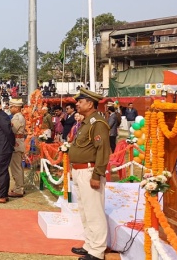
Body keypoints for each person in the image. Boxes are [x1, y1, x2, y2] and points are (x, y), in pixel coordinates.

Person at [69, 88, 111, 260]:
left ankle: (97, 251)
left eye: (80, 101)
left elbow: (103, 150)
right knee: (85, 211)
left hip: (89, 171)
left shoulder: (97, 123)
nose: (77, 104)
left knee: (94, 212)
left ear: (90, 103)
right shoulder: (87, 122)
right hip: (80, 171)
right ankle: (90, 244)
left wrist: (97, 174)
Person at [8, 98, 26, 198]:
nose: (10, 109)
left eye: (11, 107)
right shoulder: (18, 116)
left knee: (16, 168)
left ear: (16, 107)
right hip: (18, 143)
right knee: (18, 167)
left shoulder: (17, 118)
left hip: (16, 143)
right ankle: (19, 187)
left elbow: (12, 130)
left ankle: (19, 189)